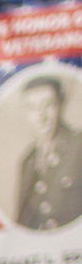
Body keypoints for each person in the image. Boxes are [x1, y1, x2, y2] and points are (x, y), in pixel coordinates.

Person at [15, 75, 82, 231]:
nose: (41, 116)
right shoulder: (27, 161)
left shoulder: (79, 146)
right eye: (32, 108)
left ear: (61, 104)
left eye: (48, 105)